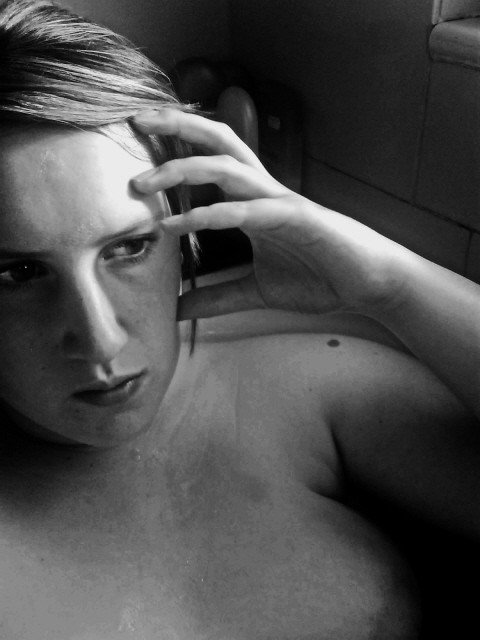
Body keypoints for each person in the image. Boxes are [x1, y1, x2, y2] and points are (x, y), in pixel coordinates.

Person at [0, 1, 478, 639]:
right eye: (18, 273)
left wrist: (392, 285)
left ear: (182, 232)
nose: (100, 338)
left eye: (131, 247)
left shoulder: (298, 390)